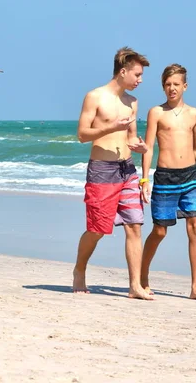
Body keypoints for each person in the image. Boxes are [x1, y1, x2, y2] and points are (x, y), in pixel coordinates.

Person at [72, 46, 153, 300]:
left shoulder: (132, 102)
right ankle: (79, 269)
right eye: (137, 74)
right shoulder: (94, 97)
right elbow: (82, 135)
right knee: (97, 229)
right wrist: (108, 127)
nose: (140, 80)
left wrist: (139, 147)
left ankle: (134, 286)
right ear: (123, 71)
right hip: (102, 170)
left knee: (135, 226)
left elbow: (130, 137)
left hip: (127, 169)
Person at [140, 63, 196, 301]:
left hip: (190, 177)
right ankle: (142, 277)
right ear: (163, 87)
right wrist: (144, 179)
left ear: (185, 86)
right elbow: (148, 148)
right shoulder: (156, 112)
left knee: (195, 227)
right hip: (165, 178)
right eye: (167, 84)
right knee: (160, 231)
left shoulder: (195, 114)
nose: (171, 88)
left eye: (176, 84)